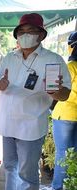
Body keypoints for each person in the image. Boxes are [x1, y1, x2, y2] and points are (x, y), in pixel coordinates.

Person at [0, 13, 71, 190]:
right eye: (22, 31)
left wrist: (55, 92)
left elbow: (64, 94)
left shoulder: (53, 59)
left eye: (31, 30)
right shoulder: (10, 57)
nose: (25, 35)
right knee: (10, 166)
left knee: (27, 174)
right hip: (7, 123)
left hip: (31, 125)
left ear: (41, 35)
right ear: (17, 36)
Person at [50, 31, 77, 190]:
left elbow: (55, 91)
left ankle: (58, 187)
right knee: (73, 155)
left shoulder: (70, 67)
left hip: (64, 115)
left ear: (72, 47)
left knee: (63, 154)